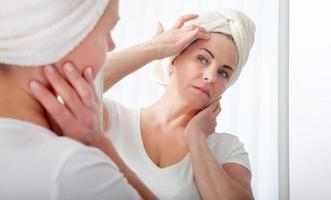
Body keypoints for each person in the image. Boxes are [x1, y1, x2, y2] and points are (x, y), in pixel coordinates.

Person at [33, 8, 256, 199]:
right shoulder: (111, 118)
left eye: (224, 73)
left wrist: (196, 137)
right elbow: (73, 82)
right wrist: (152, 49)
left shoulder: (226, 149)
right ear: (173, 59)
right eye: (202, 59)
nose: (211, 76)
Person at [0, 0, 207, 199]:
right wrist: (98, 143)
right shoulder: (72, 170)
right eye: (106, 32)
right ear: (61, 36)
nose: (111, 46)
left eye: (225, 72)